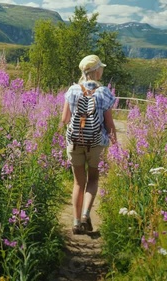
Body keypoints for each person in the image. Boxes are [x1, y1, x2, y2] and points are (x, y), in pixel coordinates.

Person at [61, 54, 117, 234]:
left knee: (78, 182)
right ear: (95, 72)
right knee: (93, 179)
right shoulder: (104, 92)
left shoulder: (72, 91)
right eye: (100, 68)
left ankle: (76, 223)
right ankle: (86, 214)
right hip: (96, 143)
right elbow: (109, 123)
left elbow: (65, 119)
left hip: (75, 142)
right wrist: (115, 144)